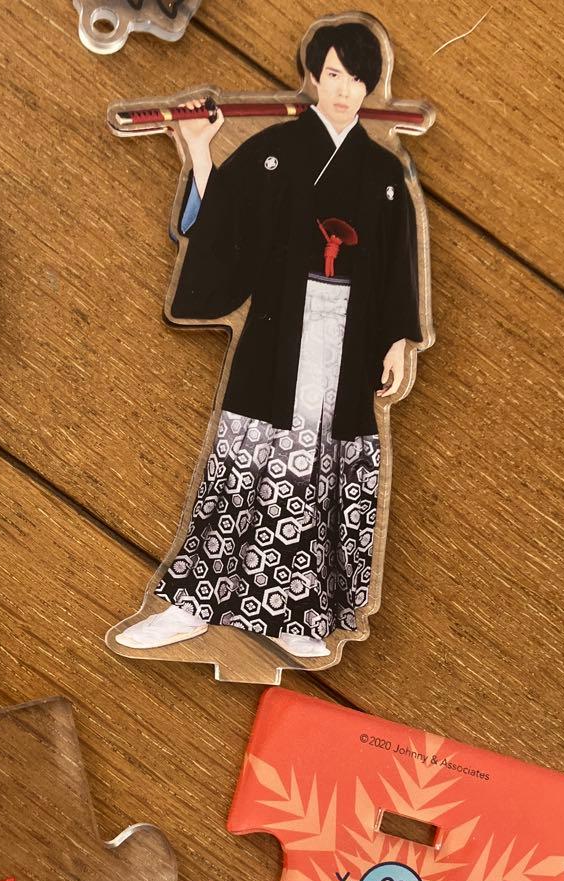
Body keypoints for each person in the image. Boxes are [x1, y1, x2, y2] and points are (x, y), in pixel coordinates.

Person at [116, 21, 422, 659]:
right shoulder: (277, 149)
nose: (344, 90)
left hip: (349, 340)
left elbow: (398, 264)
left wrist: (398, 338)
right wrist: (199, 150)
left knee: (323, 467)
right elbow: (225, 223)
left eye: (357, 78)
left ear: (371, 84)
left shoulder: (384, 172)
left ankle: (298, 615)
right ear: (313, 76)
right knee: (247, 464)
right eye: (333, 75)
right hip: (281, 330)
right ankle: (193, 605)